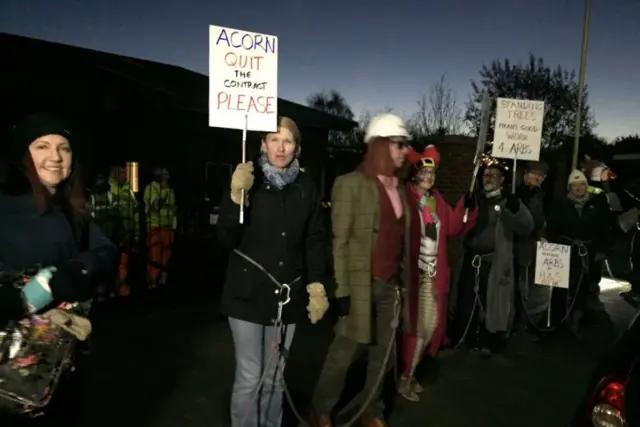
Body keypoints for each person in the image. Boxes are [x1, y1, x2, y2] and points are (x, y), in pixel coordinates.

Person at [218, 117, 329, 427]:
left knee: (276, 375)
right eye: (274, 139)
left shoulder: (307, 188)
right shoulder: (248, 180)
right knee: (251, 374)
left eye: (288, 141)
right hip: (247, 294)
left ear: (297, 148)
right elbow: (225, 238)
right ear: (263, 144)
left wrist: (317, 285)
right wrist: (234, 197)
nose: (281, 147)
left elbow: (314, 240)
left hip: (286, 295)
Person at [309, 113, 410, 427]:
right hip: (361, 283)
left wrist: (402, 283)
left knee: (383, 355)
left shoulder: (401, 190)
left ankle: (372, 409)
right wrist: (343, 291)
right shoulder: (349, 184)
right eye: (398, 144)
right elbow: (339, 241)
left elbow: (401, 240)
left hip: (390, 286)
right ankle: (320, 408)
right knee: (344, 351)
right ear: (380, 145)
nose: (405, 151)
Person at [0, 112, 117, 341]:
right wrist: (13, 299)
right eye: (42, 146)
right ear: (23, 157)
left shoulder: (71, 209)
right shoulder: (6, 208)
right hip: (15, 351)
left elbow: (107, 251)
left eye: (64, 148)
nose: (56, 157)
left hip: (63, 342)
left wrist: (79, 270)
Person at [397, 145, 477, 402]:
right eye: (424, 173)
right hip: (414, 275)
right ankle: (404, 378)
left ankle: (410, 373)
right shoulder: (406, 199)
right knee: (417, 331)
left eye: (432, 174)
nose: (429, 178)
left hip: (434, 275)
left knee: (431, 329)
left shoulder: (437, 200)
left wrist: (468, 207)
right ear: (415, 174)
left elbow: (454, 226)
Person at [452, 162, 533, 355]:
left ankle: (490, 341)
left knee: (494, 303)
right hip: (472, 259)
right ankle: (467, 337)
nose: (488, 178)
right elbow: (456, 225)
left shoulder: (509, 201)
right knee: (467, 299)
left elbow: (527, 227)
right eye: (486, 175)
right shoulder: (475, 199)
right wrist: (465, 207)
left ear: (502, 179)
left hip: (495, 261)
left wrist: (516, 210)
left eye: (493, 175)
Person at [545, 170, 612, 338]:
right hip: (565, 251)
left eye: (581, 184)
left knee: (582, 289)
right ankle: (556, 323)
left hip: (588, 253)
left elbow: (605, 228)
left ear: (586, 186)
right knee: (560, 289)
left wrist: (601, 250)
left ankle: (576, 323)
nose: (578, 188)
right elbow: (552, 228)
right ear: (569, 187)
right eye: (574, 185)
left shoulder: (596, 205)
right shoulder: (561, 204)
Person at [514, 160, 549, 333]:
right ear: (526, 174)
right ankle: (516, 323)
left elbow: (540, 219)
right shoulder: (516, 192)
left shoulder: (539, 195)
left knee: (527, 289)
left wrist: (542, 235)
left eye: (541, 176)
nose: (538, 178)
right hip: (516, 246)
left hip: (530, 247)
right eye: (535, 174)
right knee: (517, 287)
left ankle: (523, 322)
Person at [109, 164, 140, 297]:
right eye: (120, 172)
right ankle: (111, 289)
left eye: (124, 172)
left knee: (124, 261)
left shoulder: (129, 190)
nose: (123, 175)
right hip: (112, 232)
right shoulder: (110, 189)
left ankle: (121, 288)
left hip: (127, 230)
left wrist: (137, 231)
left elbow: (135, 212)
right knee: (111, 261)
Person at [143, 167, 176, 289]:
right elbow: (154, 207)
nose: (168, 177)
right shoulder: (151, 188)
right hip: (155, 225)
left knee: (166, 257)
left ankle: (163, 283)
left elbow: (173, 210)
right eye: (165, 174)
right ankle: (152, 284)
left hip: (168, 227)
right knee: (155, 258)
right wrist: (163, 192)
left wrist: (174, 226)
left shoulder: (170, 190)